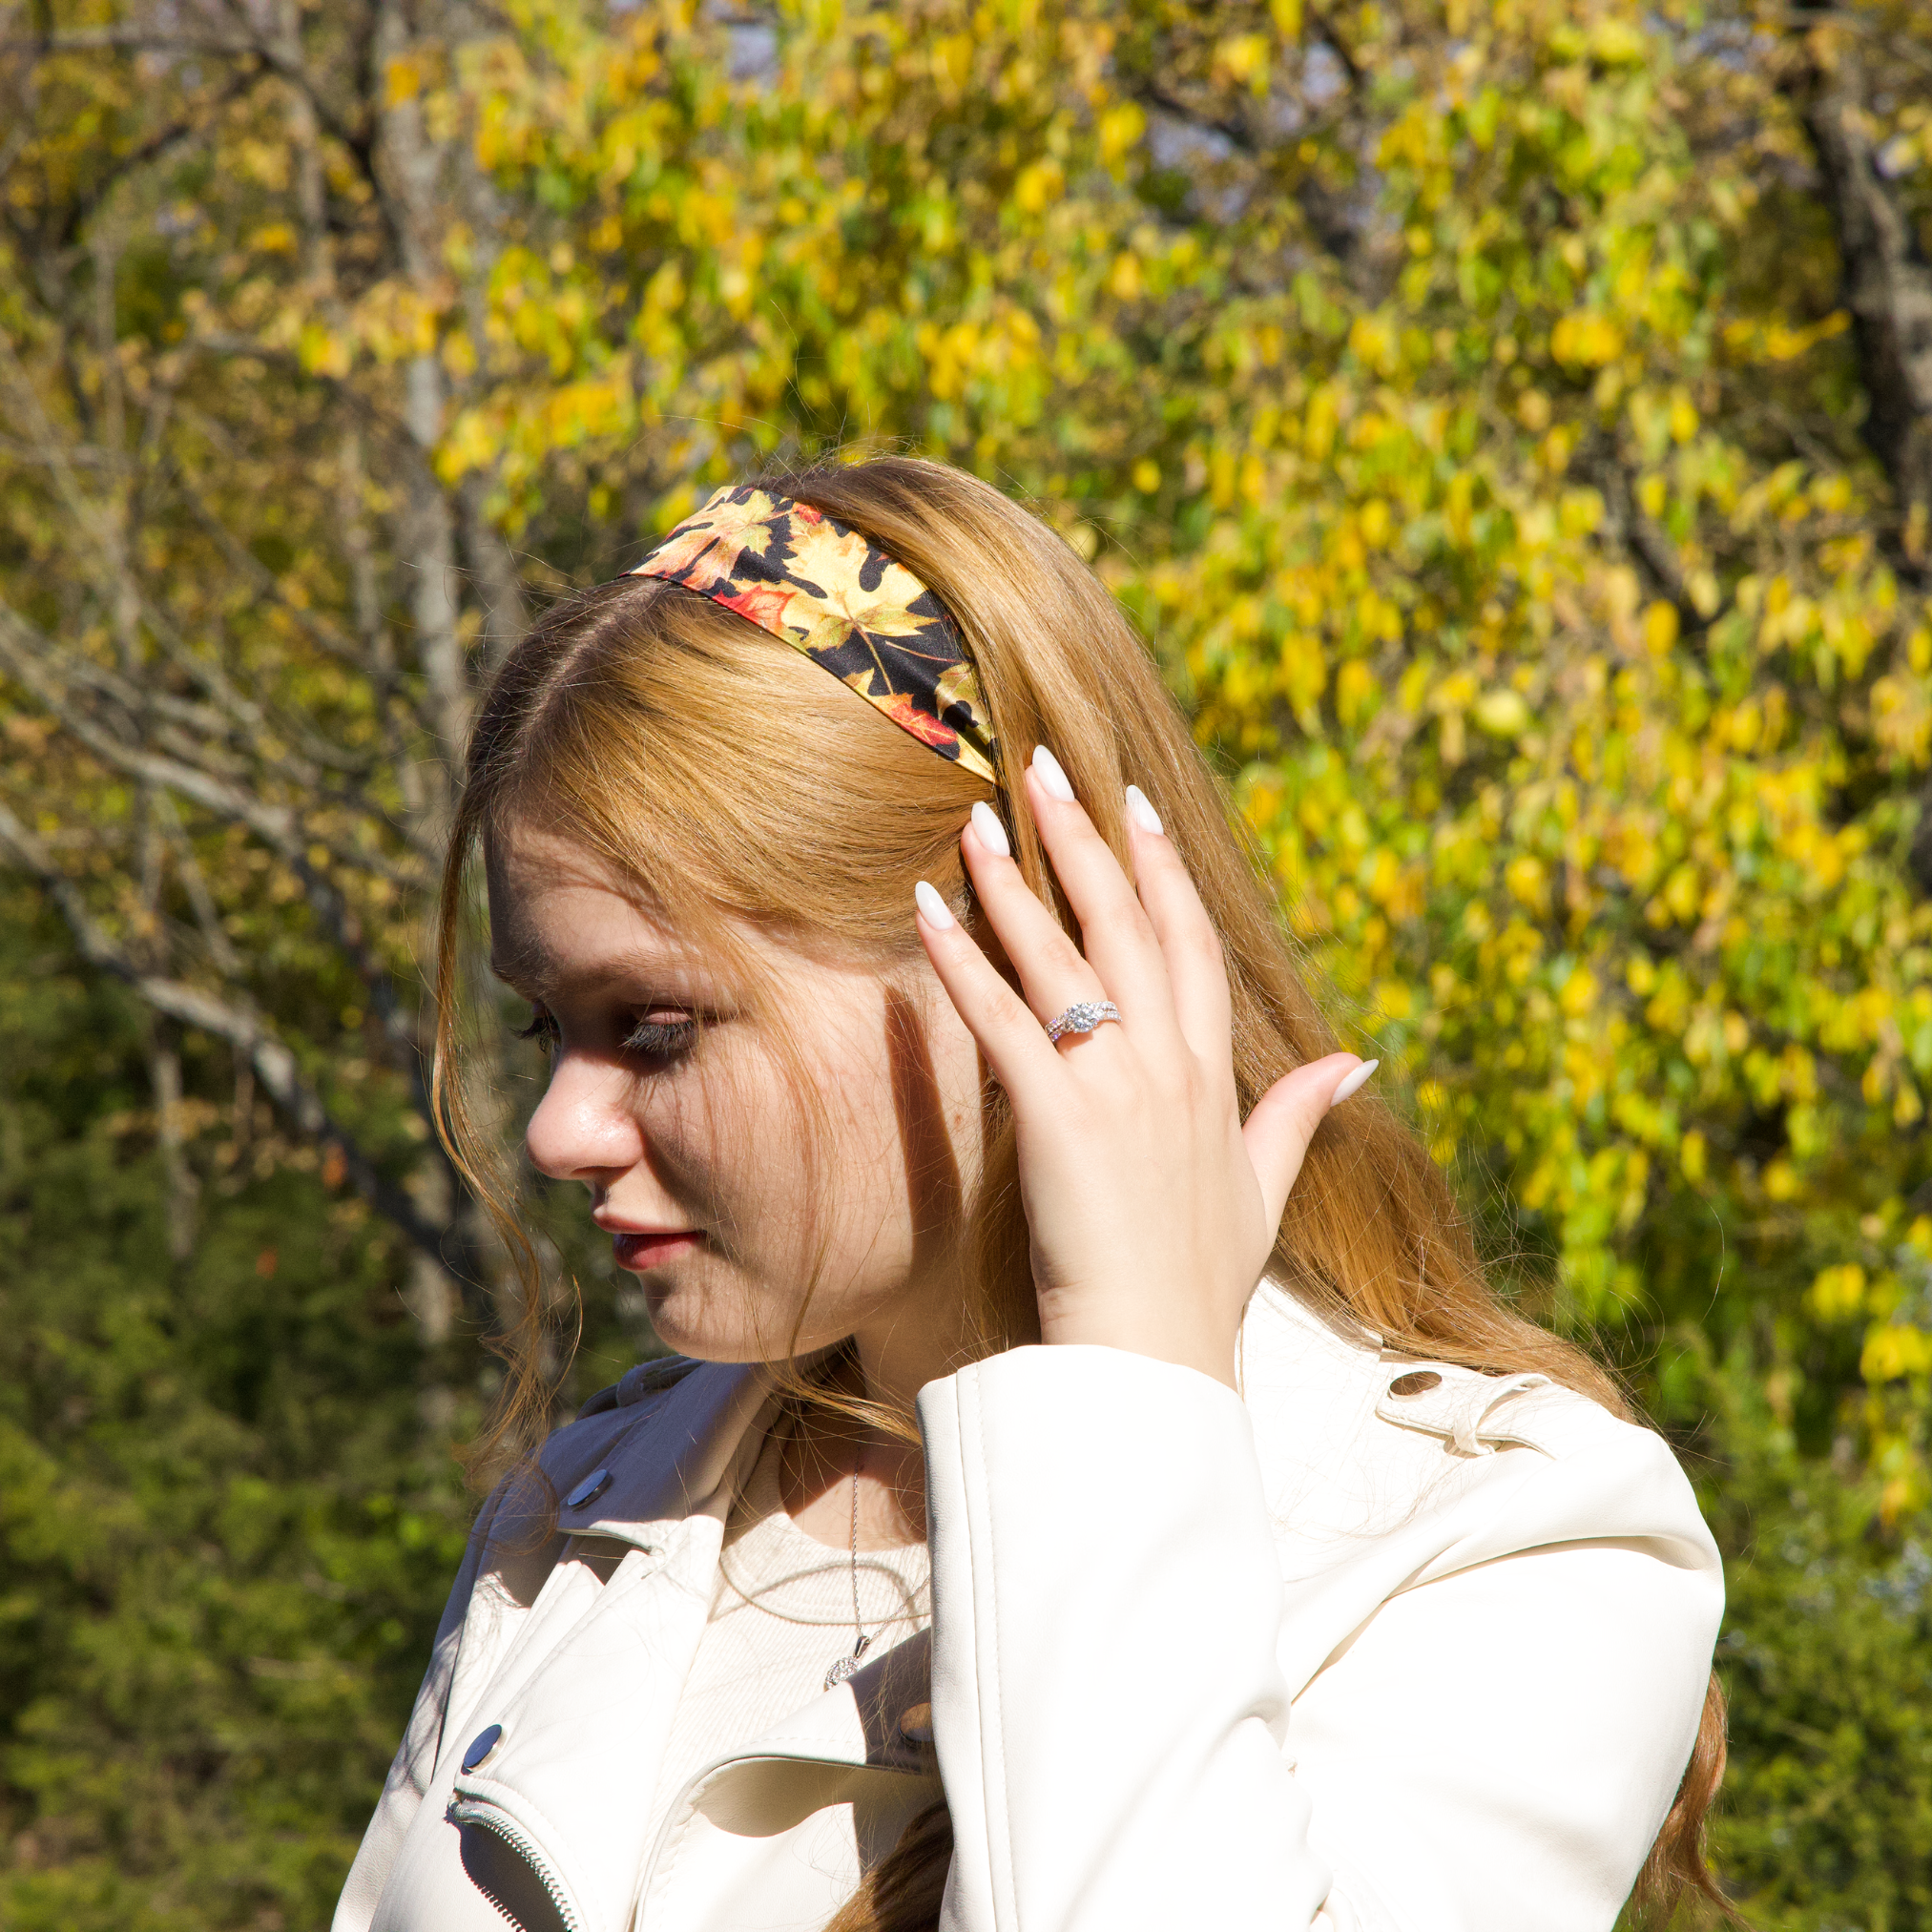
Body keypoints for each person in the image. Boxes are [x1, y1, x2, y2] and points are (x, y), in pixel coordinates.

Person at [333, 456, 1728, 1932]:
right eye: (552, 1027)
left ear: (1006, 953)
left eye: (660, 1029)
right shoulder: (581, 1523)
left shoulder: (1497, 1546)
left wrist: (1122, 1380)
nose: (559, 1128)